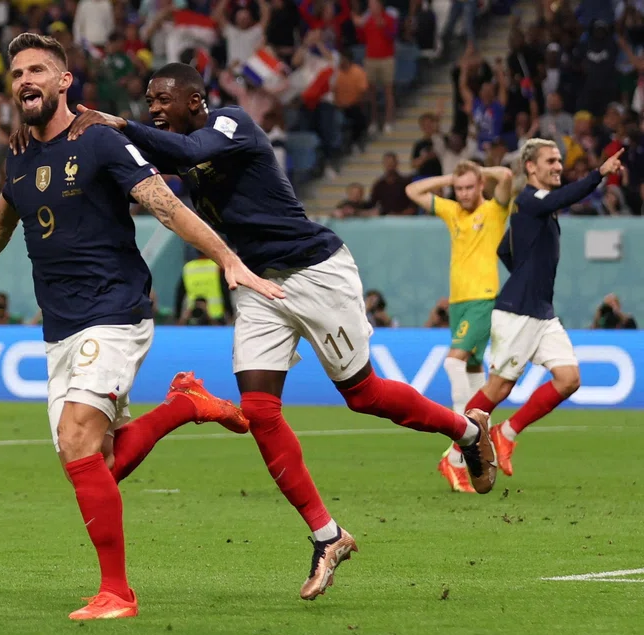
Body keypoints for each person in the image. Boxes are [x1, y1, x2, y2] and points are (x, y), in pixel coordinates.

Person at [27, 62, 499, 602]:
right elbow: (117, 160)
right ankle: (327, 535)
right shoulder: (169, 145)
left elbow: (188, 151)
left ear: (195, 100)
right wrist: (37, 136)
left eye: (162, 99)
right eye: (148, 101)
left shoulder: (232, 124)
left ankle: (466, 430)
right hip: (257, 283)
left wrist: (118, 122)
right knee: (259, 411)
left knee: (364, 395)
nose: (152, 108)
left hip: (314, 270)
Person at [0, 34, 283, 623]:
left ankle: (117, 593)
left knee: (77, 440)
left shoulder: (99, 140)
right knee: (99, 463)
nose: (26, 80)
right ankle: (185, 406)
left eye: (38, 69)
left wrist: (226, 257)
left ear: (64, 81)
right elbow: (4, 215)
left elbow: (165, 205)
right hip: (60, 326)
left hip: (116, 311)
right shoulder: (19, 155)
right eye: (17, 73)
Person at [463, 141, 626, 477]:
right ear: (531, 167)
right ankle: (454, 455)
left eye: (559, 160)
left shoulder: (537, 210)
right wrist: (599, 173)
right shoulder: (529, 199)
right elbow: (560, 198)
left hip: (541, 311)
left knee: (568, 379)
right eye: (550, 160)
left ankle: (505, 434)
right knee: (498, 388)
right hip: (518, 312)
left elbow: (504, 249)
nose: (558, 166)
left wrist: (525, 274)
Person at [406, 161, 513, 493]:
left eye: (469, 187)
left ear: (480, 185)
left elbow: (507, 176)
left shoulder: (494, 210)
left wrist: (481, 170)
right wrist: (450, 178)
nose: (464, 194)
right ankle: (473, 445)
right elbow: (412, 190)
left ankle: (459, 449)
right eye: (460, 188)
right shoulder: (452, 211)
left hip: (484, 298)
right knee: (473, 368)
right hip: (458, 302)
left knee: (454, 362)